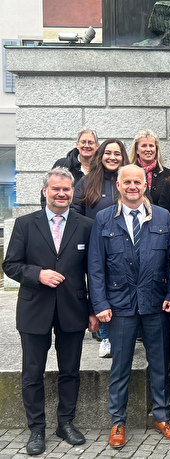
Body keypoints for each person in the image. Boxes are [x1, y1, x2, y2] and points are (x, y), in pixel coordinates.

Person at [3, 168, 99, 456]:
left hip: (73, 308)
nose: (61, 194)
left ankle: (65, 423)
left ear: (73, 192)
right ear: (45, 191)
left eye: (66, 190)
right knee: (32, 372)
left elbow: (94, 272)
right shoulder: (24, 224)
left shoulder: (85, 225)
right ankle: (36, 428)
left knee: (70, 371)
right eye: (55, 189)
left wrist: (94, 310)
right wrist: (38, 274)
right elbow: (10, 265)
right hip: (35, 308)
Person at [88, 165, 170, 448]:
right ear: (118, 185)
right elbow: (95, 266)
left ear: (145, 185)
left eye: (137, 182)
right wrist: (100, 304)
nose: (132, 186)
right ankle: (117, 421)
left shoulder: (162, 216)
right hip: (119, 306)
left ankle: (162, 416)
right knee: (120, 367)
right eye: (126, 181)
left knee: (160, 365)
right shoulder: (104, 219)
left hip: (155, 303)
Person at [71, 138, 129, 358]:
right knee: (100, 289)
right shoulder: (87, 182)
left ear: (123, 157)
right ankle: (105, 336)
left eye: (117, 153)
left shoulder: (127, 179)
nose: (112, 157)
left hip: (124, 246)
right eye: (108, 153)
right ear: (101, 155)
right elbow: (75, 212)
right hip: (95, 246)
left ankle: (121, 335)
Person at [129, 129, 170, 204]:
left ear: (156, 149)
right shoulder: (128, 173)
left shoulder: (168, 175)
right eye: (144, 146)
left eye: (151, 146)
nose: (148, 149)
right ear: (137, 150)